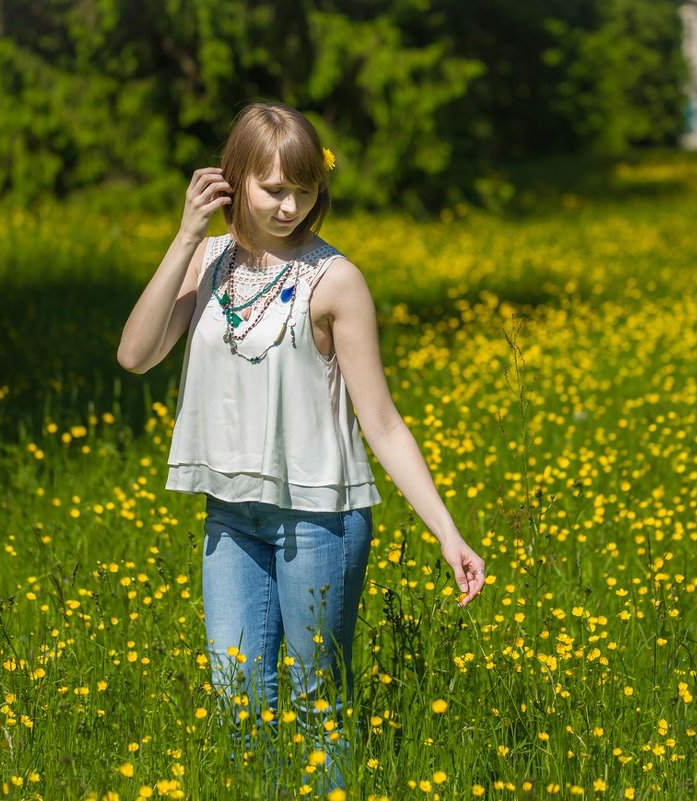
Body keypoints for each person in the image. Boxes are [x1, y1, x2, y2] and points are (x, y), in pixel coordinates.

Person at [116, 101, 487, 787]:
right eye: (273, 188)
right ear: (233, 179)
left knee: (320, 700)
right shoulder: (207, 258)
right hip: (230, 513)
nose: (290, 205)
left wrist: (447, 532)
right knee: (238, 701)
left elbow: (381, 422)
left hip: (319, 518)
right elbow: (136, 354)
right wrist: (182, 238)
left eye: (305, 189)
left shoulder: (334, 280)